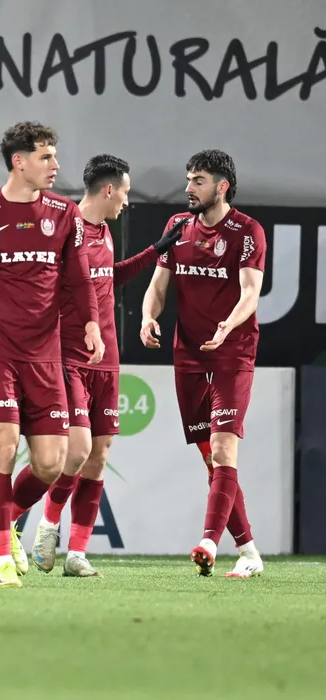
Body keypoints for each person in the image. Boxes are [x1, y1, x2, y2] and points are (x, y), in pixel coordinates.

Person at [0, 122, 104, 588]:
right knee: (4, 446)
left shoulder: (64, 213)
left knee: (52, 462)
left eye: (53, 156)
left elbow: (79, 278)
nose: (55, 165)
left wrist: (92, 323)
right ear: (19, 161)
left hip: (45, 355)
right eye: (46, 157)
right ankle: (0, 562)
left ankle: (6, 517)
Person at [14, 155, 184, 576]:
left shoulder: (105, 231)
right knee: (75, 450)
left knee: (98, 455)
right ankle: (24, 521)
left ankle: (76, 554)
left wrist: (154, 252)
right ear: (109, 189)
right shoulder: (61, 229)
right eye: (124, 192)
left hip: (105, 360)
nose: (127, 200)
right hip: (67, 356)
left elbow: (108, 277)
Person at [141, 149, 265, 578]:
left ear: (222, 186)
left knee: (225, 447)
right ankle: (249, 553)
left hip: (232, 351)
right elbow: (159, 285)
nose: (189, 188)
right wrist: (148, 317)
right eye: (189, 179)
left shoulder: (247, 231)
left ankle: (208, 542)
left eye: (198, 180)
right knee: (213, 460)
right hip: (189, 354)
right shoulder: (177, 226)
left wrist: (228, 326)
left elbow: (250, 293)